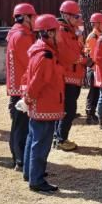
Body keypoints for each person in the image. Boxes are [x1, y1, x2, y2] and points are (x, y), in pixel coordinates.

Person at [22, 14, 65, 192]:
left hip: (41, 104)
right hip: (45, 105)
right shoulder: (45, 55)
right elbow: (37, 82)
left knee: (33, 139)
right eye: (58, 31)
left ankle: (30, 173)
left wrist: (27, 99)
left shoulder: (40, 51)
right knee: (41, 143)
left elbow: (29, 77)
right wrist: (28, 99)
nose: (60, 34)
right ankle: (36, 180)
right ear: (49, 33)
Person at [54, 0, 91, 151]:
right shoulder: (61, 31)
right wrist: (84, 60)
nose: (78, 19)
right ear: (66, 16)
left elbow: (78, 49)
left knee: (66, 109)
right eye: (76, 16)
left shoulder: (72, 31)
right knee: (68, 110)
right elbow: (66, 54)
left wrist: (84, 52)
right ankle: (61, 139)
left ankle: (58, 137)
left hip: (74, 76)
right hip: (66, 77)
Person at [6, 3, 37, 171]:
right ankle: (20, 159)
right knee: (21, 126)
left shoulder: (18, 33)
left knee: (20, 124)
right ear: (25, 17)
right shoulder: (21, 36)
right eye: (33, 16)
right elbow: (30, 63)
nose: (35, 19)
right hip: (21, 87)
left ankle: (19, 157)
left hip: (19, 85)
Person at [84, 13, 102, 125]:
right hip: (93, 68)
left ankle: (92, 114)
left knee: (96, 92)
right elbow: (91, 56)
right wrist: (95, 69)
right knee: (93, 92)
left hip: (96, 68)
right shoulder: (93, 37)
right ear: (97, 24)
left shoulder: (98, 36)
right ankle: (90, 115)